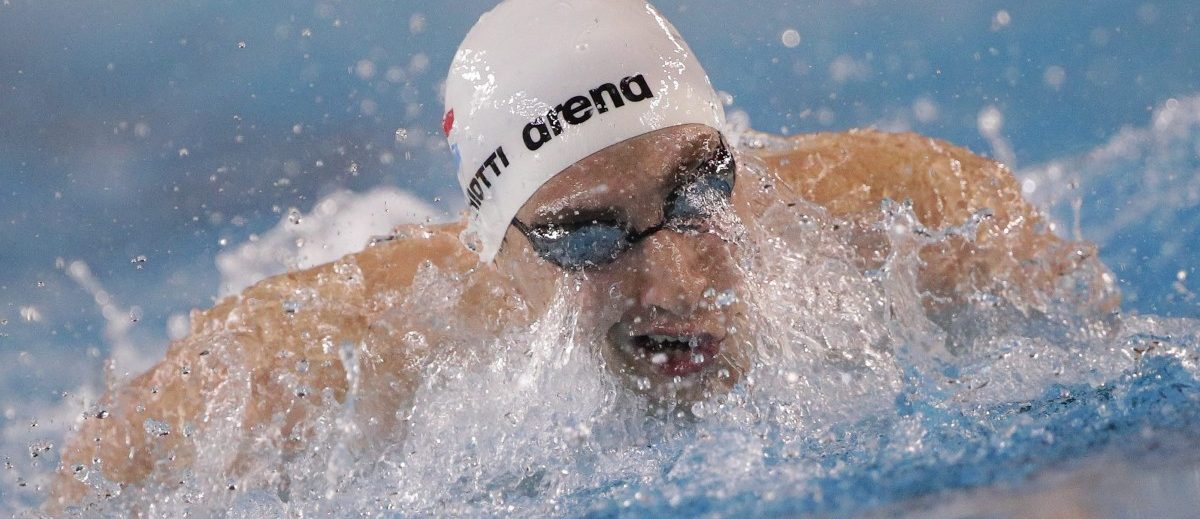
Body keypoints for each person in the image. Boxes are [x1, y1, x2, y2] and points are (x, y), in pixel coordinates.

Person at [50, 0, 1118, 509]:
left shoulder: (910, 213)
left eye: (698, 192)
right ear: (496, 250)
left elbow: (1103, 370)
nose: (676, 280)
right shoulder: (345, 356)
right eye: (586, 236)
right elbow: (97, 478)